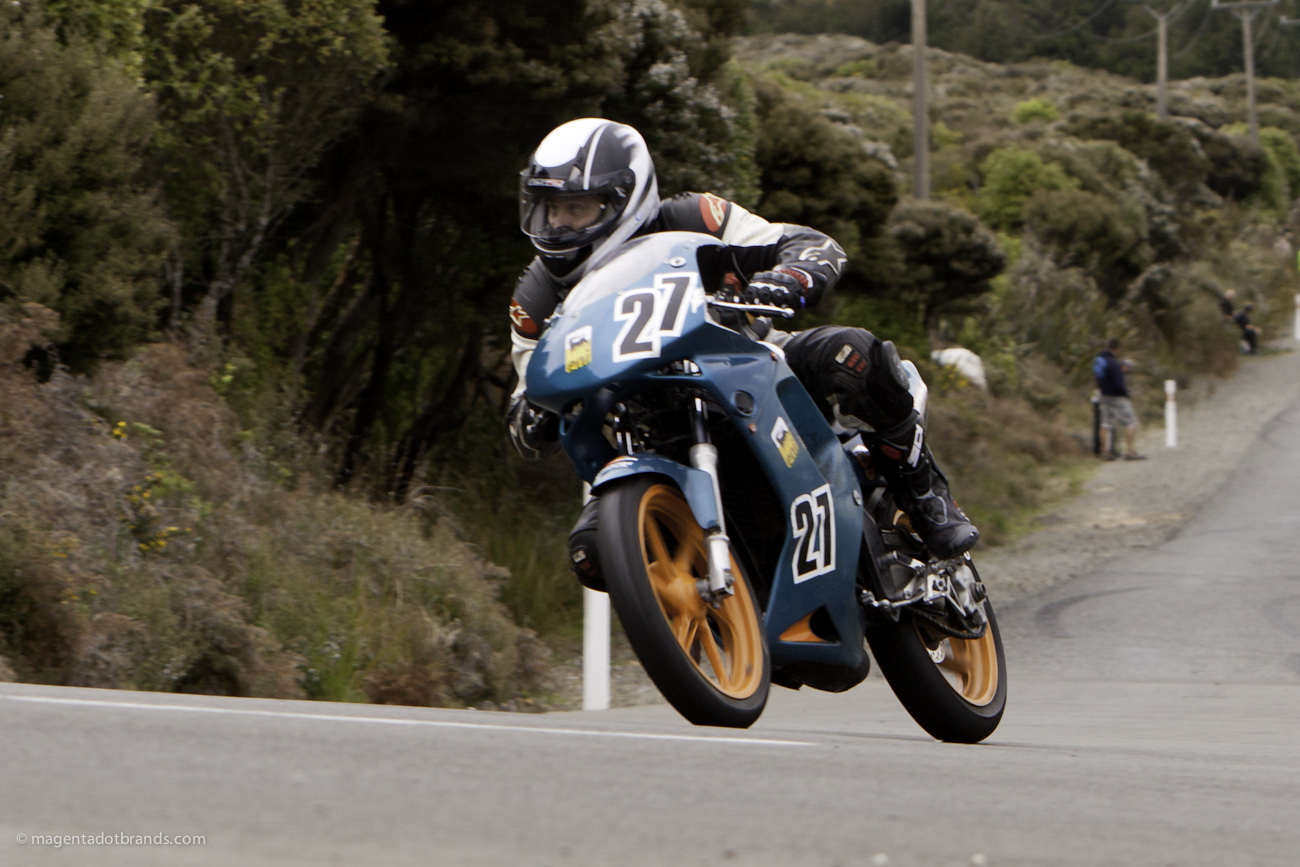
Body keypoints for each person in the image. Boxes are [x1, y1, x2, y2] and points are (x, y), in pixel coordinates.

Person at [505, 118, 979, 586]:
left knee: (850, 354)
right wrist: (535, 413)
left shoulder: (695, 217)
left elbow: (809, 244)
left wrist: (788, 277)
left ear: (623, 198)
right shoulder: (535, 298)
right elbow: (526, 395)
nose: (559, 223)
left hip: (753, 364)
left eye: (576, 207)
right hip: (649, 432)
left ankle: (924, 494)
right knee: (593, 551)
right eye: (550, 209)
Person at [1092, 338, 1144, 461]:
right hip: (1117, 398)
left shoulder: (1100, 361)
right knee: (1131, 423)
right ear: (1117, 349)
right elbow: (1119, 383)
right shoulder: (1113, 363)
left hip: (1103, 397)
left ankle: (1104, 452)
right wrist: (1126, 394)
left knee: (1105, 424)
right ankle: (1130, 452)